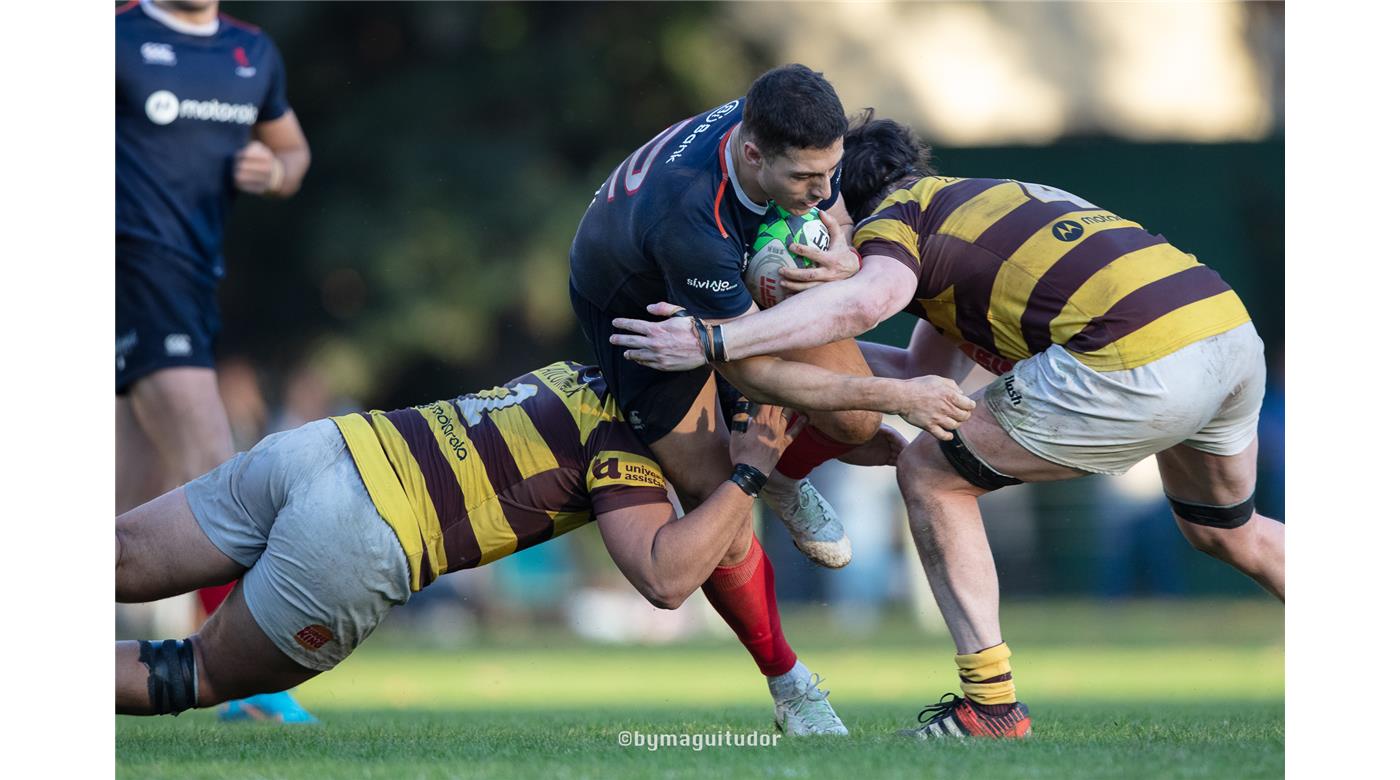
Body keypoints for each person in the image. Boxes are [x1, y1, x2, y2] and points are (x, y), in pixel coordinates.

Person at [610, 111, 1285, 739]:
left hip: (1138, 356)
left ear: (849, 193)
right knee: (1229, 533)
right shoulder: (972, 212)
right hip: (1223, 333)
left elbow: (864, 305)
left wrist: (720, 340)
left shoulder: (895, 217)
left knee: (931, 472)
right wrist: (766, 348)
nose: (807, 212)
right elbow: (904, 372)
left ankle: (989, 706)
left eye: (820, 195)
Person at [116, 362, 850, 735]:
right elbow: (665, 578)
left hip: (327, 448)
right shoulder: (630, 439)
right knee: (195, 672)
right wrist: (750, 473)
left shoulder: (587, 368)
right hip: (363, 534)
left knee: (115, 554)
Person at [117, 0, 312, 721]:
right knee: (214, 467)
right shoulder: (114, 34)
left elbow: (294, 153)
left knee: (129, 507)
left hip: (194, 285)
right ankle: (252, 684)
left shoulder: (250, 52)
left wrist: (277, 168)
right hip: (133, 275)